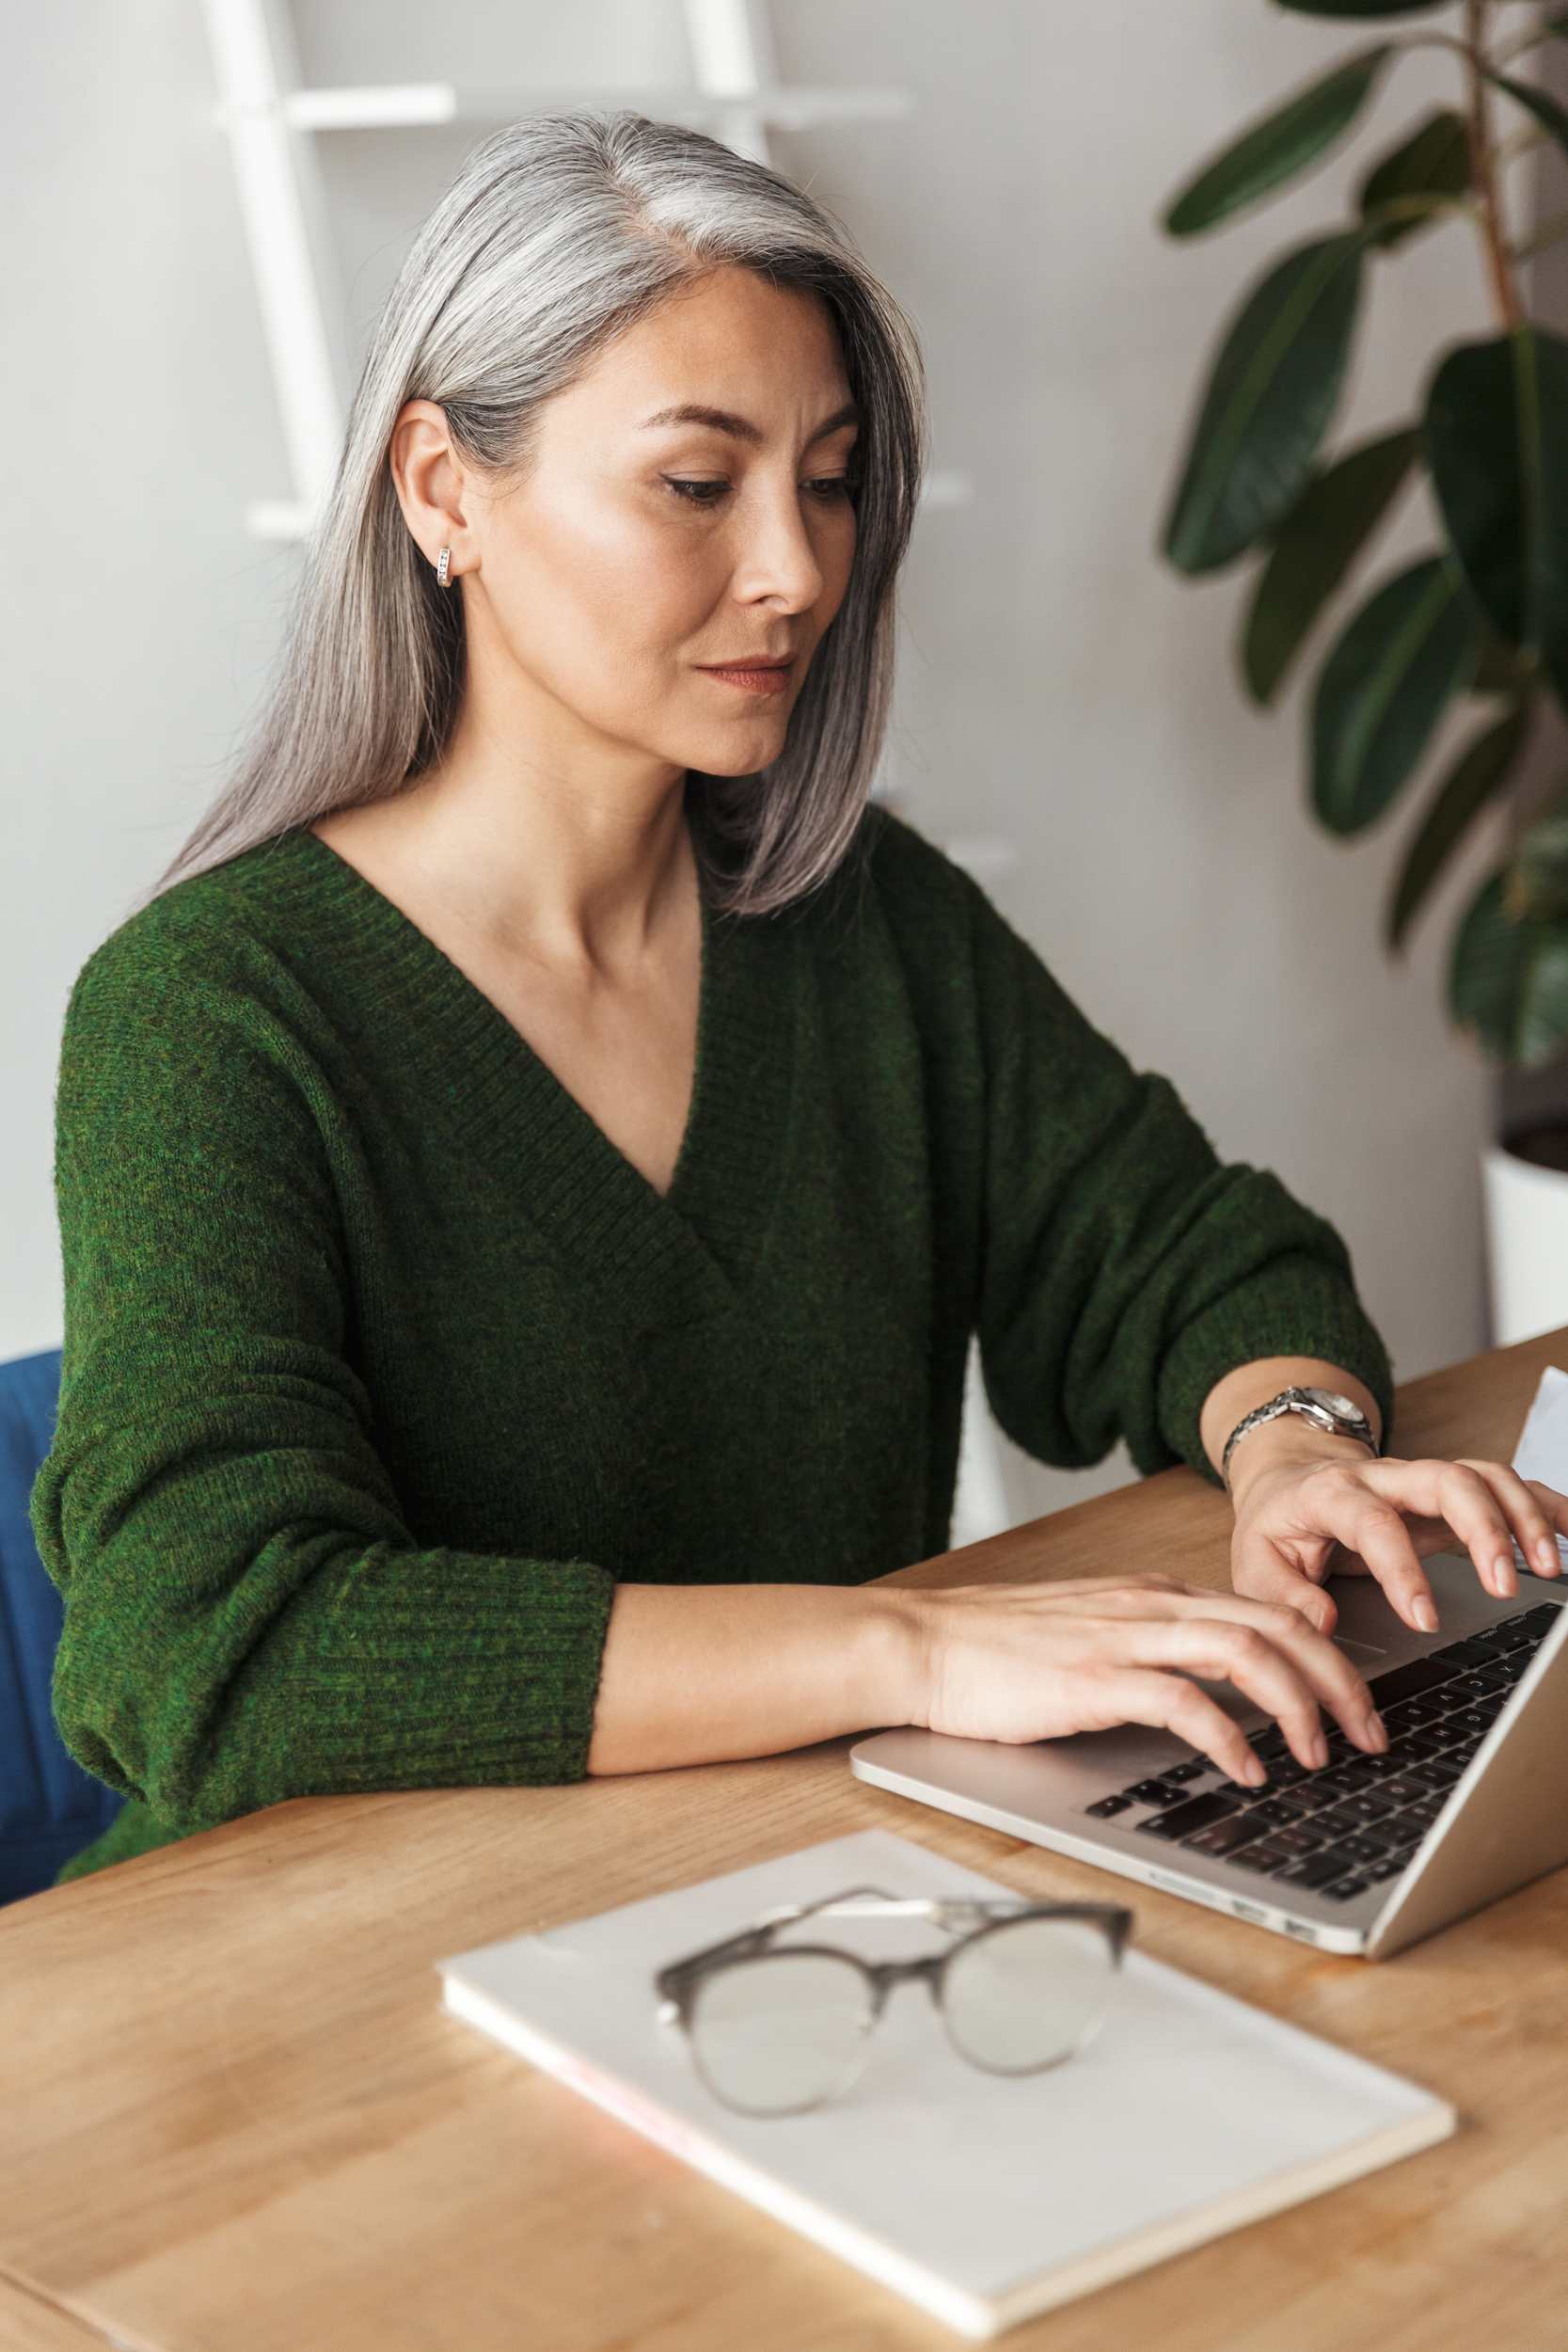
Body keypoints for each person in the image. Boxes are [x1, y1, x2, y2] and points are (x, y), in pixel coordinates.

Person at [31, 109, 1566, 1888]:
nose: (799, 569)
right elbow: (205, 1649)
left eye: (828, 479)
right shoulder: (212, 1019)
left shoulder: (855, 920)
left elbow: (1186, 1253)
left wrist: (1293, 1454)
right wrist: (910, 1652)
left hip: (797, 1881)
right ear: (445, 490)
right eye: (701, 485)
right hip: (331, 1964)